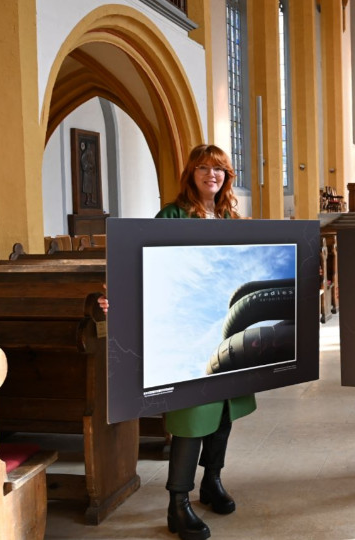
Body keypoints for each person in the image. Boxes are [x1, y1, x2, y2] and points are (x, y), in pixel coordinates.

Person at [99, 144, 253, 540]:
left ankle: (212, 482)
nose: (211, 175)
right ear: (191, 174)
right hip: (188, 328)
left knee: (223, 412)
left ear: (226, 176)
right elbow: (145, 260)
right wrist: (120, 294)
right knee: (191, 418)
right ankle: (177, 503)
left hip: (227, 326)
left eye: (218, 169)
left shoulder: (231, 216)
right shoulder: (171, 214)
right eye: (202, 168)